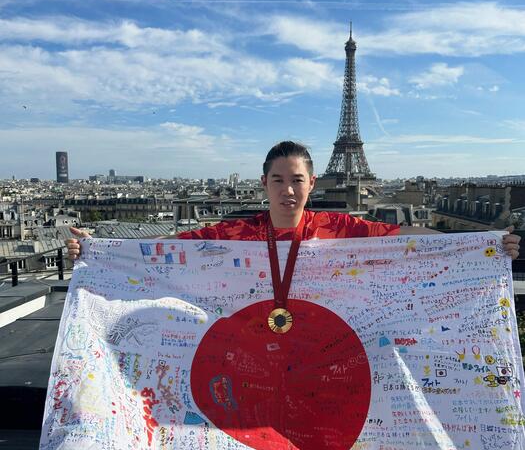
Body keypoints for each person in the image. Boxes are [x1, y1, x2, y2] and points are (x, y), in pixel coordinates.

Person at [66, 141, 521, 257]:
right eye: (278, 180)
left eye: (297, 180)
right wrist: (94, 247)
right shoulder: (234, 233)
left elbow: (405, 235)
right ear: (263, 183)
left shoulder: (340, 228)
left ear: (313, 183)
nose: (288, 189)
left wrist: (483, 244)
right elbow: (174, 242)